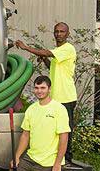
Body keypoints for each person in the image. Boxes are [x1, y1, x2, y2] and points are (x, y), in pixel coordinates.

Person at [14, 22, 77, 162]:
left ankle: (67, 158)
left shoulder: (68, 49)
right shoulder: (58, 51)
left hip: (66, 96)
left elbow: (47, 52)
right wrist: (44, 60)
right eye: (57, 31)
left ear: (68, 34)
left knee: (65, 129)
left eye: (62, 31)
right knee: (54, 128)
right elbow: (52, 67)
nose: (59, 34)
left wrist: (26, 47)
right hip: (56, 97)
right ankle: (56, 155)